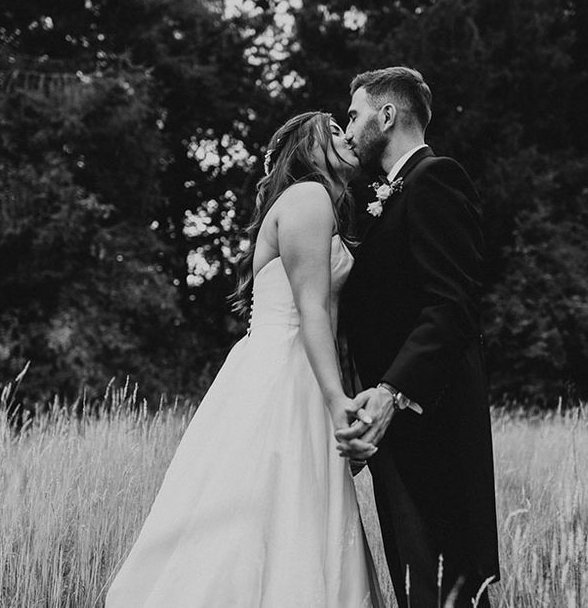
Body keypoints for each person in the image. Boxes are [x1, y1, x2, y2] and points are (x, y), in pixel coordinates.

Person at [106, 112, 385, 607]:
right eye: (333, 131)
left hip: (296, 369)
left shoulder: (320, 204)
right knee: (269, 515)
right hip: (284, 372)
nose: (346, 136)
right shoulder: (307, 197)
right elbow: (313, 309)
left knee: (279, 515)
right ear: (307, 148)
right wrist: (337, 397)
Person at [337, 66, 500, 608]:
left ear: (388, 116)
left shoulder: (437, 178)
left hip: (436, 430)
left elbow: (452, 305)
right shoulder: (387, 197)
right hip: (400, 437)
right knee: (419, 588)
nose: (349, 127)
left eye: (355, 115)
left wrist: (390, 392)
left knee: (445, 587)